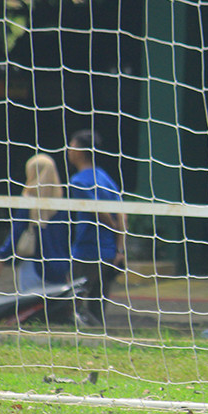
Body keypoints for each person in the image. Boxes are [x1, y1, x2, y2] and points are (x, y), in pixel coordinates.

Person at [66, 129, 126, 327]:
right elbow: (122, 211)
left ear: (80, 151)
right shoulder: (104, 176)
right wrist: (120, 248)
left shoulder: (78, 181)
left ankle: (88, 338)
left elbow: (99, 212)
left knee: (75, 304)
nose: (68, 150)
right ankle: (100, 339)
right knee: (98, 305)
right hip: (108, 252)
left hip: (87, 251)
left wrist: (114, 226)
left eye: (72, 145)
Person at [0, 154, 71, 291]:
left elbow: (17, 231)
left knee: (30, 307)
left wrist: (1, 258)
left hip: (33, 267)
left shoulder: (29, 200)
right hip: (59, 268)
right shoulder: (62, 203)